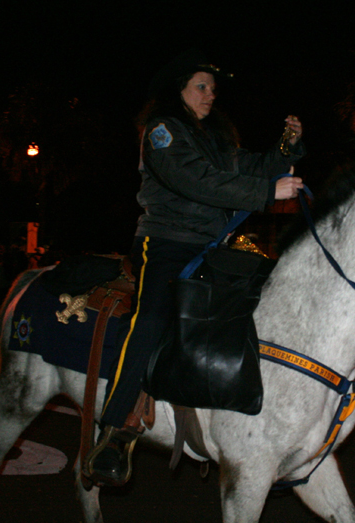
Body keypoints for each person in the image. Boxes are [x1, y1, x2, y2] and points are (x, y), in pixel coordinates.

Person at [85, 49, 305, 486]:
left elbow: (253, 167)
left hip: (211, 245)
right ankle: (114, 429)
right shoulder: (163, 132)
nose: (211, 94)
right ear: (178, 90)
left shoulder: (214, 139)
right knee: (151, 319)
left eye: (213, 88)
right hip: (166, 242)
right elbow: (194, 180)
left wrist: (286, 148)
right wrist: (266, 192)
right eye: (202, 86)